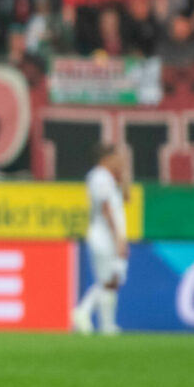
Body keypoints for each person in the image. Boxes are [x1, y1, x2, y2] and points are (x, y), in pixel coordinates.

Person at [72, 143, 129, 336]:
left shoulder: (110, 178)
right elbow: (106, 209)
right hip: (104, 236)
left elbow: (127, 198)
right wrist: (118, 238)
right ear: (106, 158)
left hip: (110, 235)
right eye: (116, 157)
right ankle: (86, 312)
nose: (119, 161)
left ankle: (106, 324)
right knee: (108, 280)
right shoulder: (99, 177)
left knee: (113, 280)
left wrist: (124, 176)